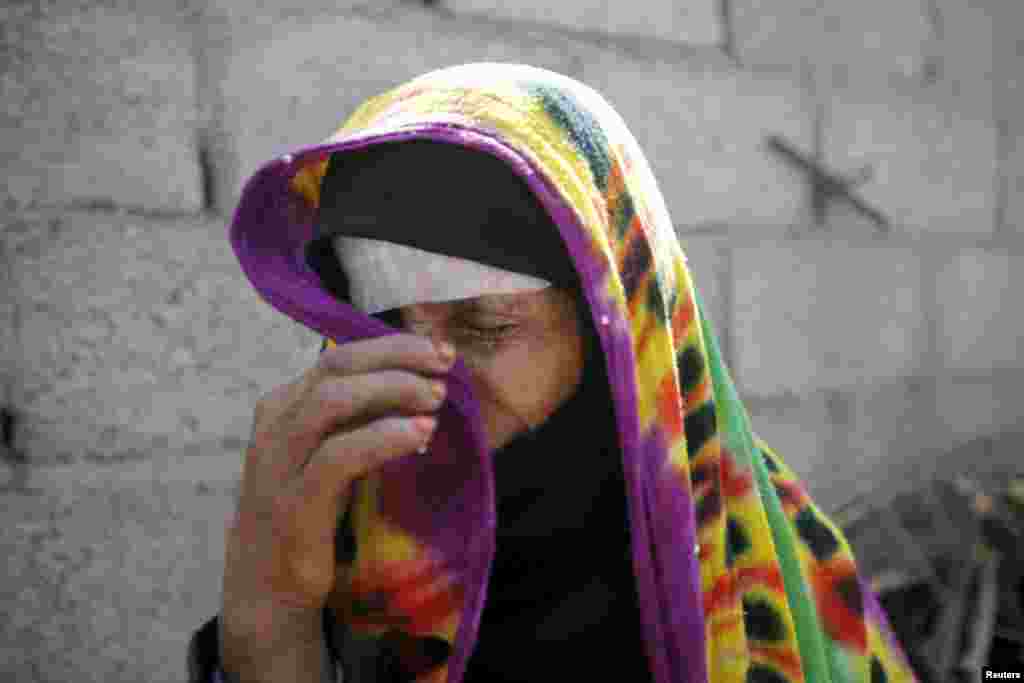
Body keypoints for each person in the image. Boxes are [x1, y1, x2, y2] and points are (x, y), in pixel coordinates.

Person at [187, 63, 918, 683]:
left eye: (485, 326)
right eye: (374, 327)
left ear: (614, 336)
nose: (426, 377)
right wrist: (270, 628)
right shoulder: (345, 559)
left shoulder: (759, 564)